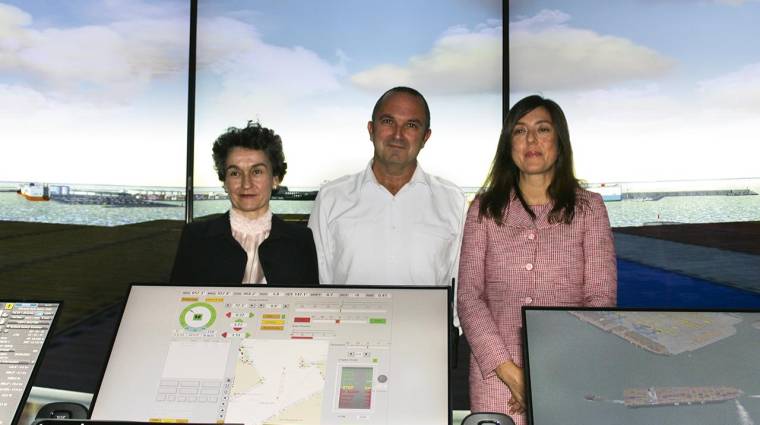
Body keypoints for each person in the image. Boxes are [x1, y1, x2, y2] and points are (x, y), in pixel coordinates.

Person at [457, 95, 617, 423]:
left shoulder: (590, 208)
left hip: (568, 371)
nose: (531, 140)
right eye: (520, 131)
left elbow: (600, 301)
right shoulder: (484, 209)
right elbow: (470, 297)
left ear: (559, 141)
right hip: (494, 376)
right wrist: (512, 374)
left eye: (542, 129)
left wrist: (545, 372)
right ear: (508, 144)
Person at [308, 86, 466, 286]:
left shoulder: (454, 201)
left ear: (425, 137)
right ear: (371, 130)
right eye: (388, 122)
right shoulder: (330, 198)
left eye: (411, 125)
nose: (397, 135)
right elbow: (316, 285)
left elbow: (460, 289)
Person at [171, 121, 318, 285]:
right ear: (225, 182)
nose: (246, 184)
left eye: (257, 172)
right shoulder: (195, 237)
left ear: (275, 178)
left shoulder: (301, 241)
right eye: (235, 173)